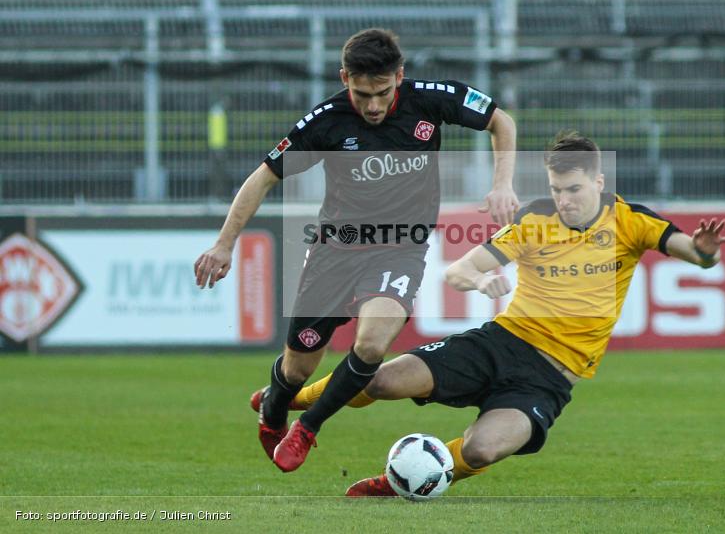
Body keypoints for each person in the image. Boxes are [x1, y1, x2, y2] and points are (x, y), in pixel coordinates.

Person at [259, 131, 725, 495]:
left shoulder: (631, 220)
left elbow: (692, 253)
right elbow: (459, 271)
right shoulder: (535, 219)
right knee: (380, 380)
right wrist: (483, 279)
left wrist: (705, 251)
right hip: (499, 343)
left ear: (599, 180)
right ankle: (291, 397)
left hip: (549, 378)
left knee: (481, 449)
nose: (564, 200)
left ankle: (402, 481)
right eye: (556, 188)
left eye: (573, 189)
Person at [195, 28, 519, 473]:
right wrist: (224, 243)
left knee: (371, 344)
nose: (372, 105)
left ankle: (307, 427)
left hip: (400, 249)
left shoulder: (431, 99)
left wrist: (502, 184)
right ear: (344, 76)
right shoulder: (326, 119)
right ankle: (274, 406)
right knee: (296, 370)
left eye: (383, 92)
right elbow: (264, 176)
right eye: (361, 92)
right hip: (335, 250)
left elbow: (502, 121)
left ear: (399, 77)